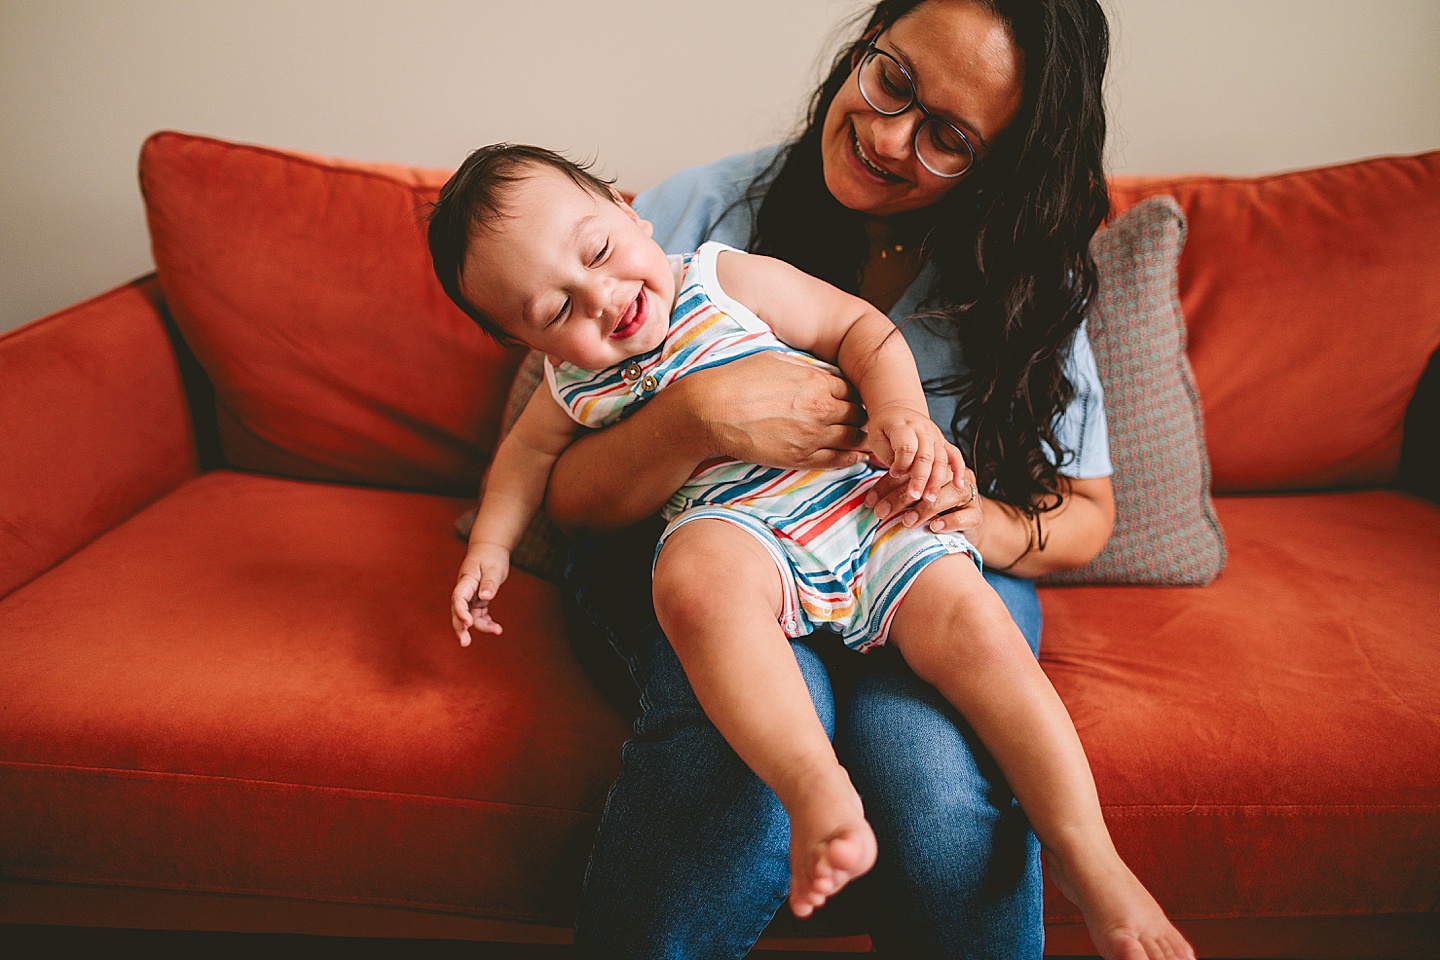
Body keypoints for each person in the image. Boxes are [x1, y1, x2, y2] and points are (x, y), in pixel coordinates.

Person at [427, 143, 1192, 960]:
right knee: (691, 581)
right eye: (554, 312)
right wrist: (493, 548)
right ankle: (813, 787)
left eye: (599, 253)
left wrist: (902, 413)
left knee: (979, 631)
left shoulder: (723, 278)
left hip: (861, 503)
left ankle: (1088, 856)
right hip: (737, 530)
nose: (603, 300)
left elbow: (860, 328)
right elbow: (527, 460)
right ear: (523, 338)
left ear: (626, 208)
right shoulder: (571, 383)